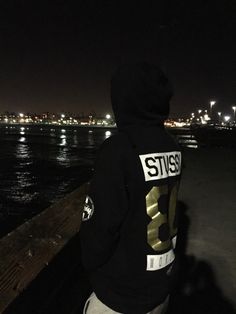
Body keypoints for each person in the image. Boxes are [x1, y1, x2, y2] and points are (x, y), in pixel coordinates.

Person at [80, 62, 182, 314]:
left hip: (119, 297)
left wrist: (90, 264)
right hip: (160, 285)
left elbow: (100, 229)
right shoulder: (173, 147)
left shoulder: (118, 150)